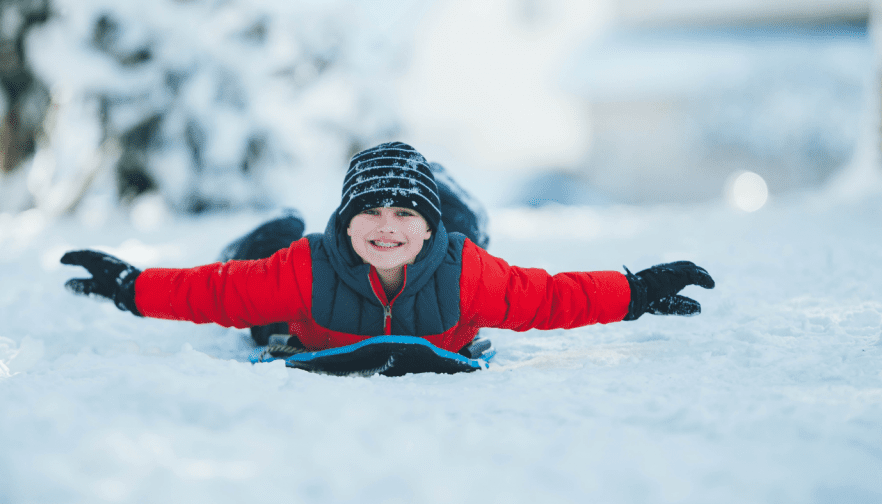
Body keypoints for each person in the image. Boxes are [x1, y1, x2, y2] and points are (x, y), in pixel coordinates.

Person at [61, 142, 715, 358]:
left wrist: (633, 292)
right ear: (343, 223)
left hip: (452, 256)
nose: (386, 226)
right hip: (291, 305)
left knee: (467, 225)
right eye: (369, 213)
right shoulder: (305, 267)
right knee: (258, 270)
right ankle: (267, 230)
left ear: (430, 229)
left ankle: (433, 179)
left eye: (404, 214)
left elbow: (545, 298)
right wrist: (131, 286)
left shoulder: (465, 271)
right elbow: (213, 293)